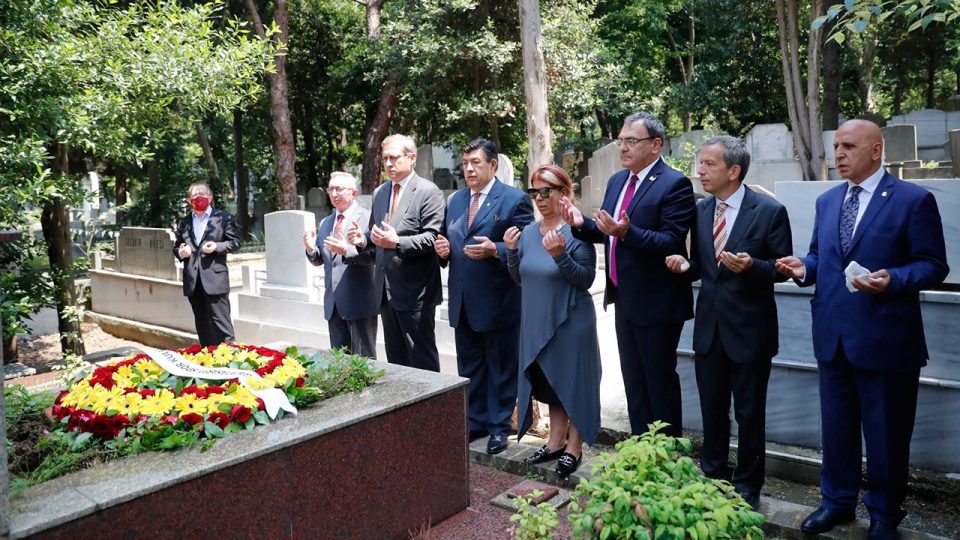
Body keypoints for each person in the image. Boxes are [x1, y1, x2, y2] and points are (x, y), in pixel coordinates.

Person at [775, 119, 948, 539]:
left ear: (876, 150)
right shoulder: (828, 201)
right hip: (833, 337)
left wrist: (894, 279)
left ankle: (885, 515)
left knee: (887, 434)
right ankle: (837, 502)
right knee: (836, 428)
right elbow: (820, 257)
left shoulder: (912, 200)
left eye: (848, 146)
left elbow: (933, 265)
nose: (839, 155)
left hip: (886, 339)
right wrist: (803, 268)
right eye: (836, 147)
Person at [664, 136, 792, 509]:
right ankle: (713, 474)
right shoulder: (703, 211)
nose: (699, 171)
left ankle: (749, 484)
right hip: (709, 330)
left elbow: (783, 269)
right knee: (712, 408)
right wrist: (686, 266)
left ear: (733, 171)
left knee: (750, 412)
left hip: (750, 330)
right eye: (700, 164)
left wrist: (754, 266)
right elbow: (703, 265)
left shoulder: (769, 211)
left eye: (708, 165)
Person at [560, 112, 696, 437]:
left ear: (656, 145)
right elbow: (609, 232)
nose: (623, 147)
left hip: (658, 302)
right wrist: (581, 224)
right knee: (633, 381)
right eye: (620, 141)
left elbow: (671, 241)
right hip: (624, 298)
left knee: (658, 381)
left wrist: (626, 234)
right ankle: (639, 451)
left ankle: (666, 457)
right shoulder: (618, 181)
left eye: (631, 141)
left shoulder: (674, 184)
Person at [434, 138, 534, 455]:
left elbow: (527, 245)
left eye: (476, 162)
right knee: (470, 366)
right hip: (463, 300)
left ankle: (498, 427)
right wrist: (443, 251)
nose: (469, 169)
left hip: (498, 300)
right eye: (465, 163)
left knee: (501, 367)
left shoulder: (514, 200)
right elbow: (450, 243)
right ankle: (475, 421)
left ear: (492, 165)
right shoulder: (457, 199)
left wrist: (497, 250)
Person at [506, 165, 601, 479]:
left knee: (573, 383)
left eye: (546, 191)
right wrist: (509, 252)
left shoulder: (576, 231)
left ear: (564, 193)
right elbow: (521, 278)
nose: (539, 198)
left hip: (571, 321)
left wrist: (561, 256)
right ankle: (555, 441)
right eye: (535, 192)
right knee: (549, 383)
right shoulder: (530, 232)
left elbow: (586, 279)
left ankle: (575, 447)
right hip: (537, 319)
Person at [346, 134, 445, 372]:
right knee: (396, 360)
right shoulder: (381, 192)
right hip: (384, 291)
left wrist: (397, 242)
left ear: (411, 158)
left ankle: (433, 409)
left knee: (422, 360)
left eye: (394, 158)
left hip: (415, 291)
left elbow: (433, 237)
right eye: (385, 159)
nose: (388, 164)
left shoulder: (427, 191)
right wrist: (362, 240)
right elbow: (374, 233)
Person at [303, 172, 378, 358]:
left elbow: (376, 255)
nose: (334, 193)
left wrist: (349, 251)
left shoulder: (368, 218)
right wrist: (311, 250)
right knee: (339, 364)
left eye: (339, 189)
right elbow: (322, 259)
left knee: (365, 361)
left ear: (353, 193)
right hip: (333, 304)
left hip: (359, 302)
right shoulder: (327, 222)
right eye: (331, 189)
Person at [173, 181, 241, 347]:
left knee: (221, 324)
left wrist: (217, 246)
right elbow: (177, 247)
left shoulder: (223, 218)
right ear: (189, 201)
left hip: (215, 280)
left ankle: (230, 360)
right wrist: (181, 252)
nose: (198, 198)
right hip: (193, 282)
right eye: (194, 195)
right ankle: (208, 360)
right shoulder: (184, 222)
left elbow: (235, 242)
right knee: (202, 325)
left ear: (210, 197)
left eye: (202, 194)